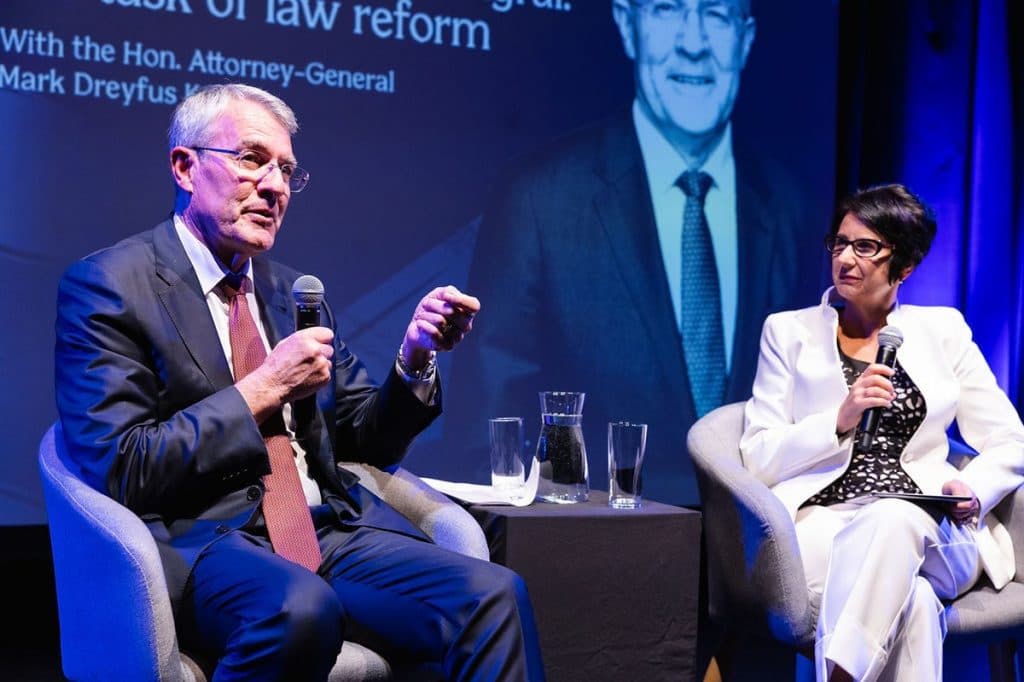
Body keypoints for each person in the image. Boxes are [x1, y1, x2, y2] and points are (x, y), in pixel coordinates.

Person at [54, 83, 545, 681]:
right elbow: (120, 465)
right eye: (252, 159)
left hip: (325, 530)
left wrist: (415, 356)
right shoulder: (109, 286)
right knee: (299, 607)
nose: (276, 186)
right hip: (207, 539)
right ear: (186, 167)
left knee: (494, 595)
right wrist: (264, 387)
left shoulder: (292, 294)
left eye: (287, 170)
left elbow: (369, 443)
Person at [446, 0, 820, 505]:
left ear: (745, 36)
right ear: (628, 25)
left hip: (760, 540)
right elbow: (493, 412)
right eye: (667, 11)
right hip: (602, 543)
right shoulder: (542, 196)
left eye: (715, 16)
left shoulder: (792, 206)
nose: (693, 43)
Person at [740, 184, 1024, 681]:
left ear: (905, 265)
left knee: (893, 517)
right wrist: (838, 419)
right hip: (825, 524)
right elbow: (758, 457)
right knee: (911, 602)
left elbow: (1011, 440)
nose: (845, 259)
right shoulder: (788, 332)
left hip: (931, 528)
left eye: (865, 247)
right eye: (839, 243)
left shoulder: (943, 331)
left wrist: (974, 488)